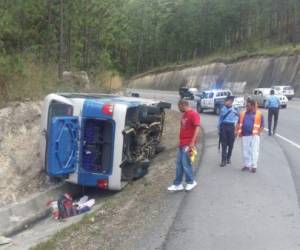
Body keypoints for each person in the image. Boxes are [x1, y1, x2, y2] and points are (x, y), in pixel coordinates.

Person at [168, 99, 200, 191]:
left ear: (183, 105)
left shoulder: (193, 114)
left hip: (189, 143)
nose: (179, 109)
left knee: (186, 163)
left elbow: (197, 127)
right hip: (182, 143)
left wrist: (192, 142)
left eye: (179, 107)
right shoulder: (184, 115)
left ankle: (191, 182)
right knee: (179, 164)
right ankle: (177, 184)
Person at [235, 99, 264, 173]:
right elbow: (238, 123)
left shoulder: (259, 114)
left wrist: (258, 133)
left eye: (248, 106)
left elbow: (262, 125)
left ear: (253, 106)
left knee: (254, 151)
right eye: (246, 105)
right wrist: (236, 131)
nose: (246, 107)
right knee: (245, 151)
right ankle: (247, 165)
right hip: (245, 135)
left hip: (254, 135)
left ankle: (254, 166)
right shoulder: (242, 113)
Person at [218, 96, 239, 167]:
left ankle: (228, 157)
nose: (228, 102)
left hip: (232, 127)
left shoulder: (235, 109)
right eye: (227, 101)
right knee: (224, 144)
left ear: (232, 102)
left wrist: (236, 129)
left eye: (230, 101)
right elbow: (220, 119)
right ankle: (223, 160)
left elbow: (237, 119)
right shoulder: (222, 109)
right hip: (224, 127)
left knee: (231, 144)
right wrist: (219, 129)